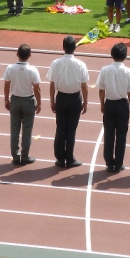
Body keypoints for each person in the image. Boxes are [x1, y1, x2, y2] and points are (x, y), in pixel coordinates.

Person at [47, 36, 89, 168]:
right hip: (75, 98)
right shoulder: (81, 64)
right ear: (75, 48)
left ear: (63, 47)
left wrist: (52, 100)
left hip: (61, 98)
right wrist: (86, 102)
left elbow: (52, 84)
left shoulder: (56, 63)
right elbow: (84, 86)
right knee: (71, 130)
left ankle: (60, 158)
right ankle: (70, 158)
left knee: (60, 128)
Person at [96, 43, 130, 173]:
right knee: (121, 134)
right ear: (125, 56)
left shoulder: (105, 69)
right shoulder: (128, 71)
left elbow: (101, 89)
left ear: (112, 55)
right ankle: (118, 163)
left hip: (110, 104)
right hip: (122, 104)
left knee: (108, 134)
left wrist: (102, 103)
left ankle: (109, 162)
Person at [3, 43, 42, 165]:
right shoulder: (33, 70)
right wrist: (39, 103)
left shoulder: (10, 68)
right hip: (28, 101)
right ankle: (25, 156)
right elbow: (37, 88)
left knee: (14, 130)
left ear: (17, 54)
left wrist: (6, 99)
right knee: (27, 130)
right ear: (30, 55)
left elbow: (7, 85)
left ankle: (15, 156)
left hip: (15, 100)